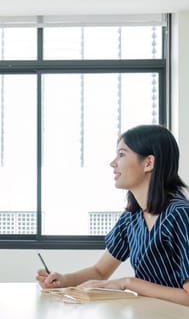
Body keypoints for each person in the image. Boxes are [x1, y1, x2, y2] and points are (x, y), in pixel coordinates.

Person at [36, 124, 189, 306]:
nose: (113, 163)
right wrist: (63, 280)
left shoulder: (180, 215)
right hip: (150, 317)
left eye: (122, 154)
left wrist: (128, 283)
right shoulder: (131, 217)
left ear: (148, 163)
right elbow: (100, 271)